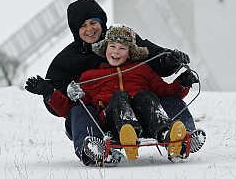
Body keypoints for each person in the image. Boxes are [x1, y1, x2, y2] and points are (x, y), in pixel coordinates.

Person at [24, 0, 205, 165]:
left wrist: (171, 62)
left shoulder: (124, 41)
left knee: (167, 100)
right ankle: (93, 149)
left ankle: (183, 138)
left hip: (145, 111)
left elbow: (154, 56)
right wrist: (48, 91)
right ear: (75, 30)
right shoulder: (73, 64)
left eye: (93, 22)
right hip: (103, 118)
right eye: (83, 26)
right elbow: (66, 105)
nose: (90, 29)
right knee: (80, 110)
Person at [49, 24, 197, 164]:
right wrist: (53, 94)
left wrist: (182, 82)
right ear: (104, 48)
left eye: (122, 48)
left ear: (130, 52)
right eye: (112, 46)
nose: (116, 52)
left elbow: (166, 92)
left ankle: (167, 135)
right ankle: (127, 134)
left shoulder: (142, 69)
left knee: (146, 96)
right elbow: (74, 107)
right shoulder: (91, 75)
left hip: (145, 121)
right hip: (111, 122)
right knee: (119, 97)